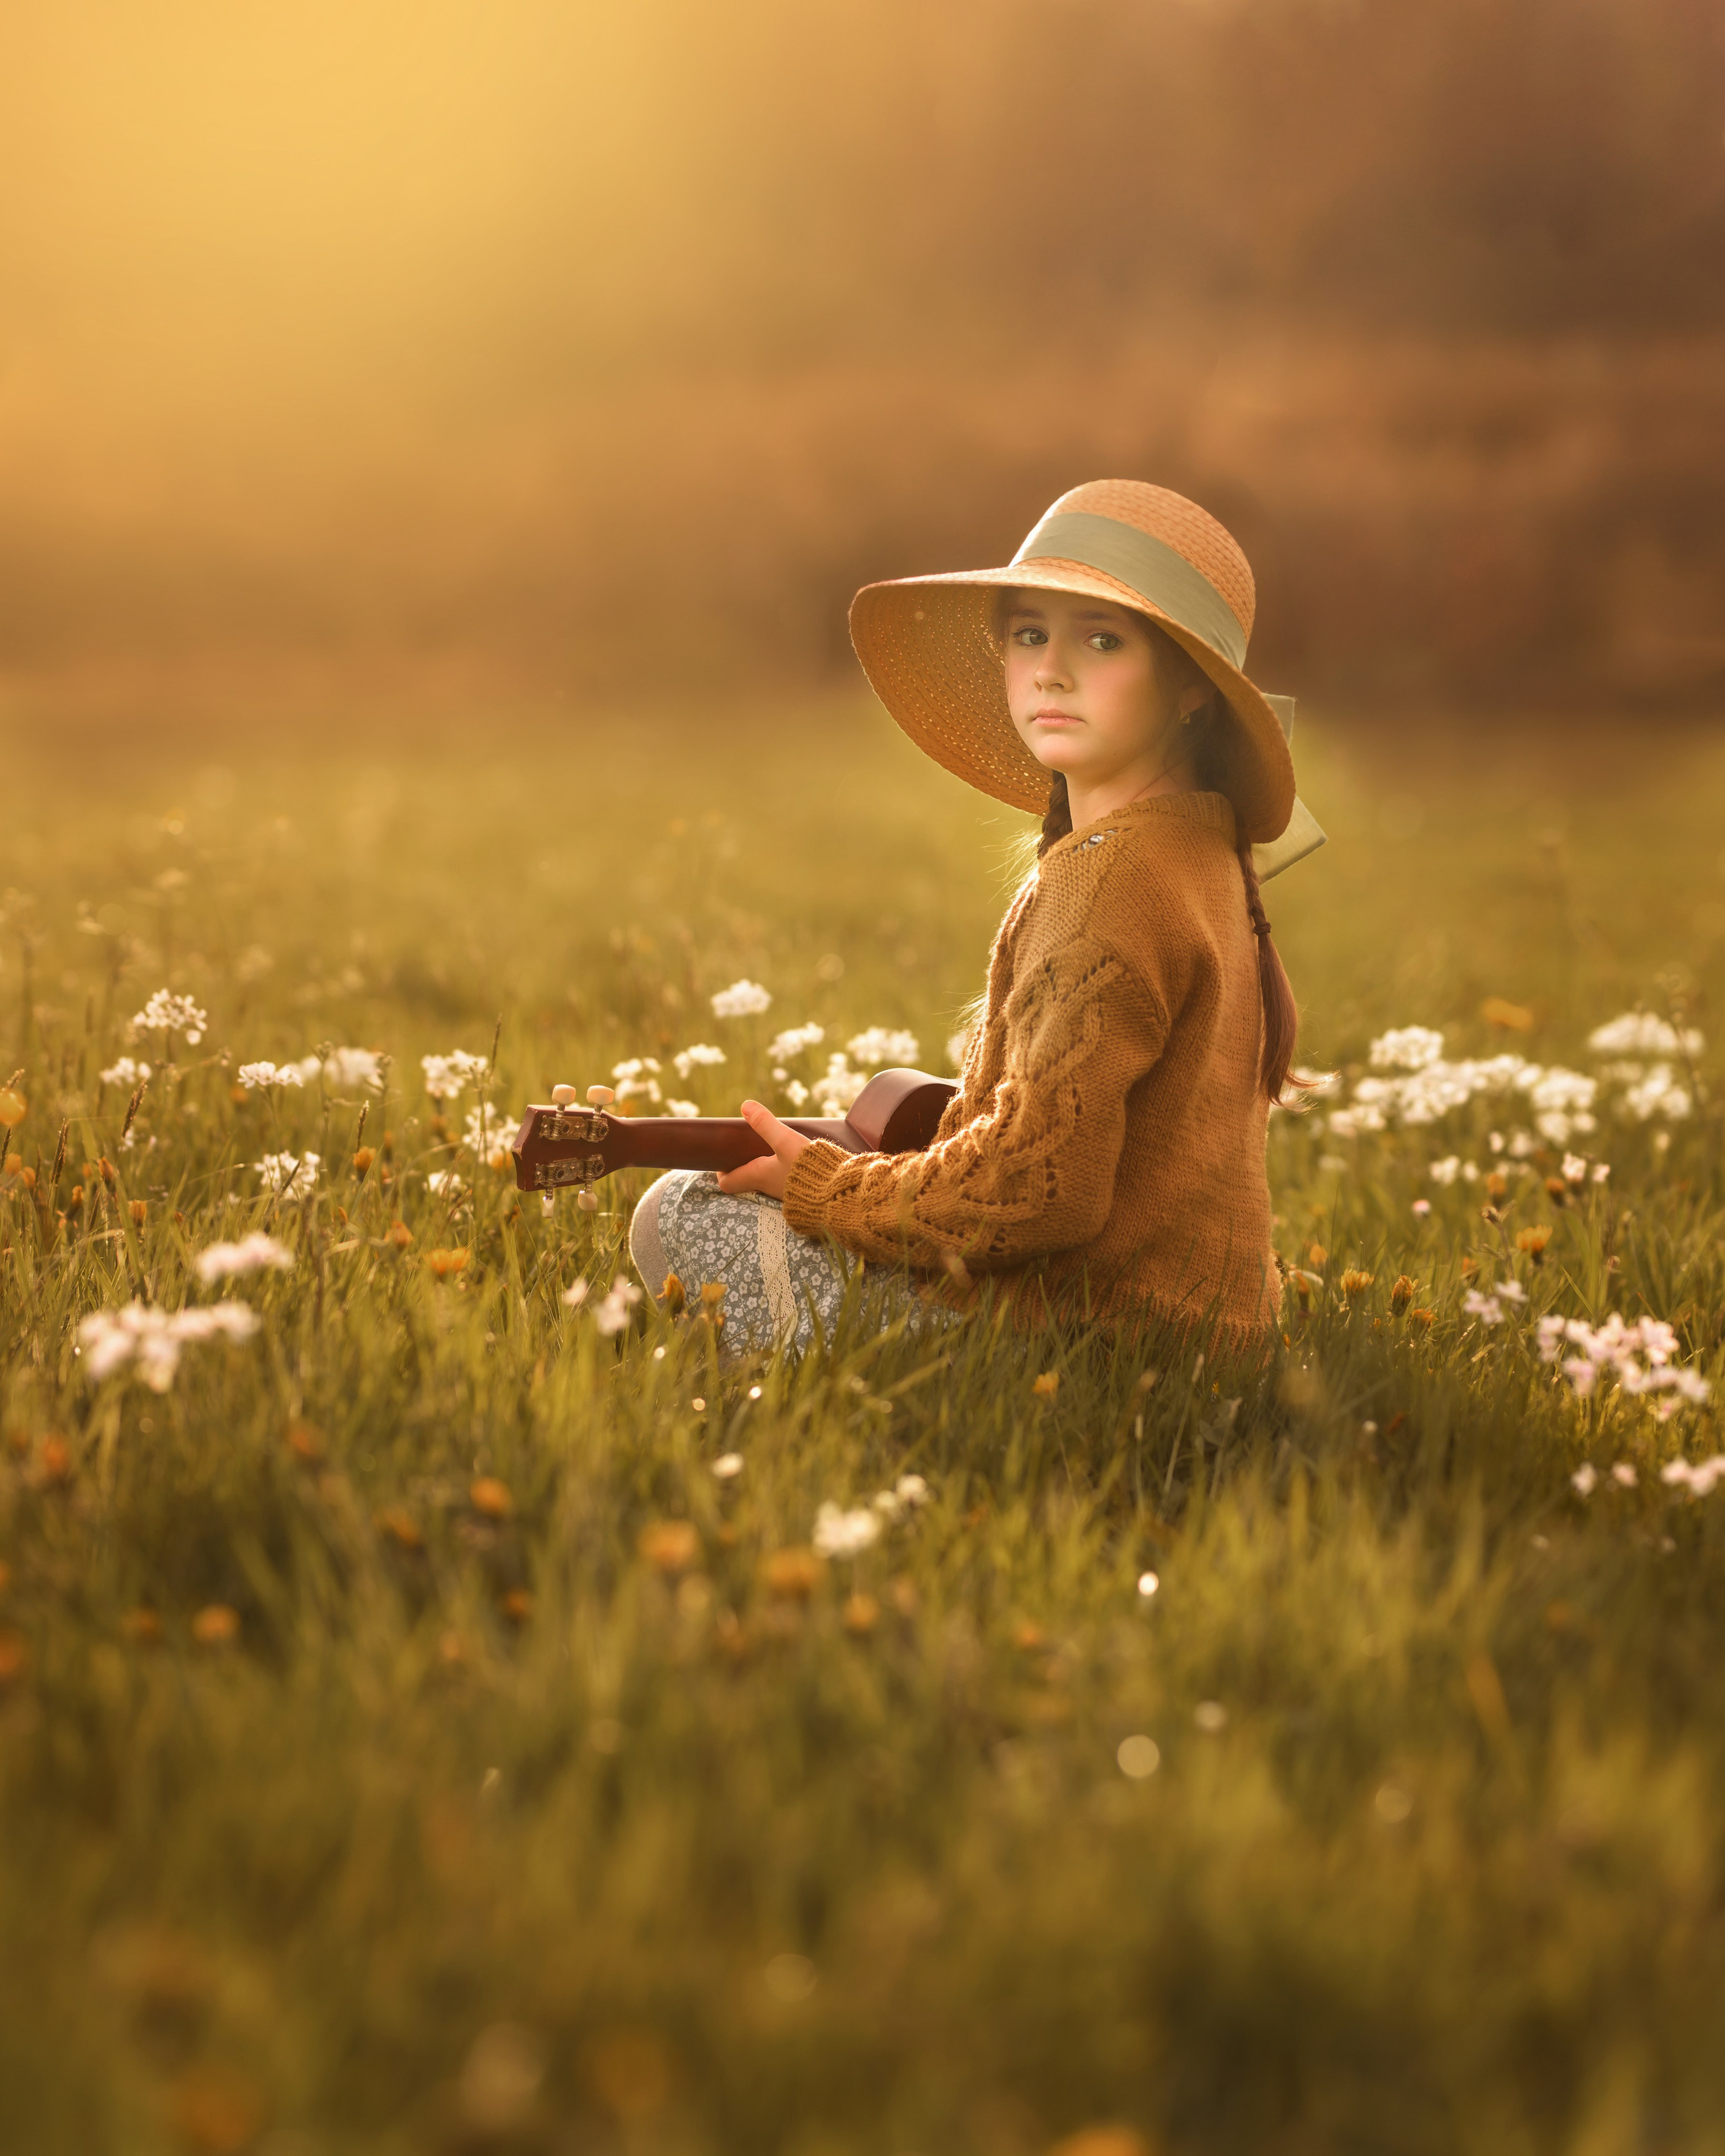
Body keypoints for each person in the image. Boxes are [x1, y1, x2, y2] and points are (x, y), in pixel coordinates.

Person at [624, 479, 1324, 1354]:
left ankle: (839, 1402)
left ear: (1191, 689)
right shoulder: (1201, 851)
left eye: (1102, 640)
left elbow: (1034, 1195)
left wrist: (830, 1190)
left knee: (685, 1206)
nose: (1051, 670)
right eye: (1030, 634)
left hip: (1074, 1347)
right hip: (1204, 1338)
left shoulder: (1109, 882)